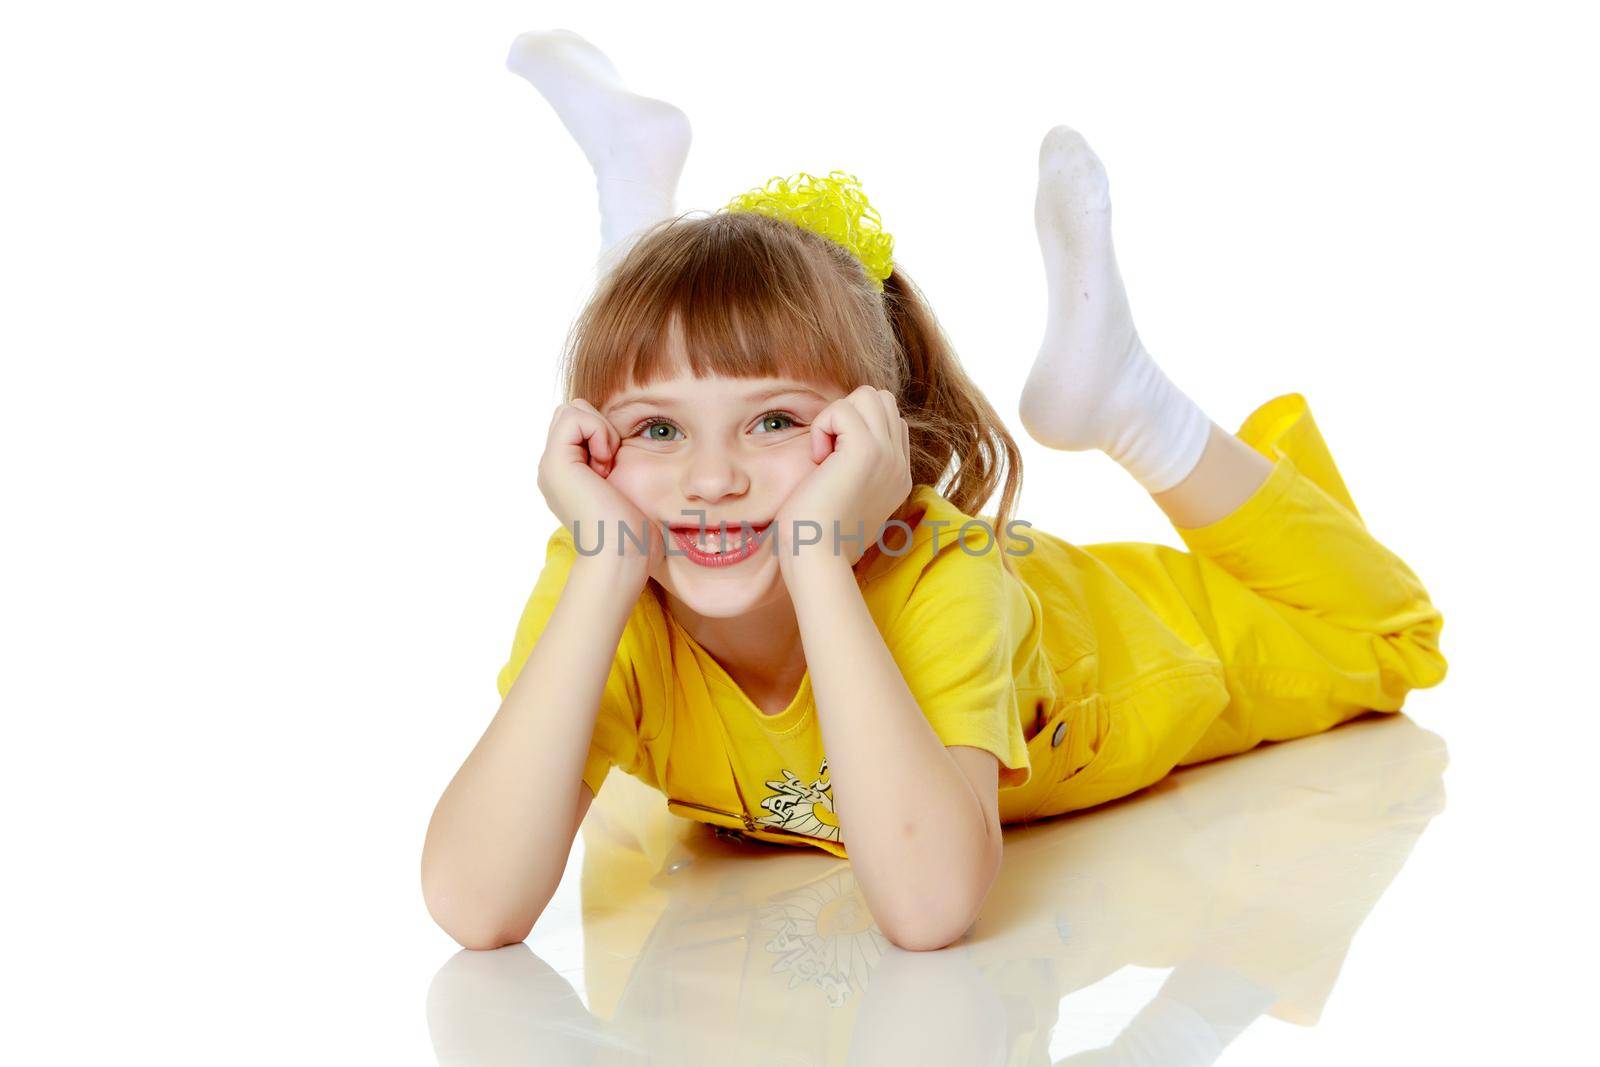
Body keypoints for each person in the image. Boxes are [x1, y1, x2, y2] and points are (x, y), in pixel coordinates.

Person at [420, 29, 1450, 953]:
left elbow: (926, 907)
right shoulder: (614, 553)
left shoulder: (943, 582)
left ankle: (1126, 398)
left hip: (1115, 633)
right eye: (653, 426)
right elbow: (474, 904)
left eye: (776, 420)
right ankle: (639, 225)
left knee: (1381, 634)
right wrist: (605, 573)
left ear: (869, 436)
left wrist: (817, 555)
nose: (711, 480)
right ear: (593, 450)